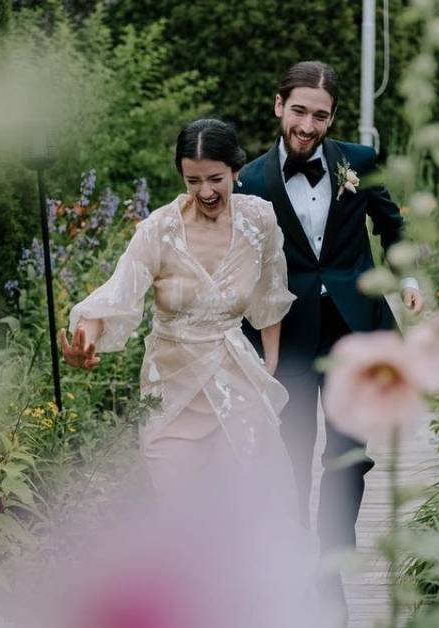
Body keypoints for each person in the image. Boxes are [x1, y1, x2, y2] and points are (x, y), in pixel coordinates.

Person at [237, 60, 424, 607]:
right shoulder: (249, 179)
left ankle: (331, 564)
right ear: (279, 107)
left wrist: (406, 276)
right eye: (298, 111)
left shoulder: (359, 163)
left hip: (353, 330)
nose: (307, 124)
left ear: (332, 118)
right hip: (283, 335)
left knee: (348, 455)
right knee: (289, 452)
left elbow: (392, 226)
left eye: (320, 115)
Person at [60, 118, 299, 507]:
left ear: (236, 171)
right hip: (170, 394)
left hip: (235, 389)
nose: (205, 191)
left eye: (215, 178)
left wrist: (268, 363)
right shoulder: (159, 230)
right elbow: (118, 291)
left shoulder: (259, 221)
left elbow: (269, 293)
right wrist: (85, 335)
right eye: (193, 181)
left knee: (244, 511)